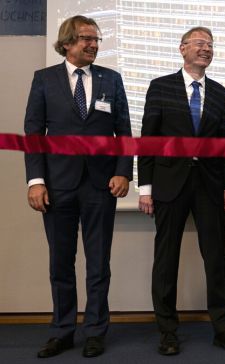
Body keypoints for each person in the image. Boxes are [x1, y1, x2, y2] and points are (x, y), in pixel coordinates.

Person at [23, 15, 133, 358]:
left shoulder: (110, 80)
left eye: (97, 39)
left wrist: (123, 173)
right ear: (67, 42)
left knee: (99, 263)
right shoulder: (44, 80)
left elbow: (124, 133)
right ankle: (62, 330)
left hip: (101, 185)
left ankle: (96, 331)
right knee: (61, 262)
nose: (94, 45)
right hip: (57, 187)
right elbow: (32, 134)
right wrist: (36, 181)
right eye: (87, 38)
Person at [138, 26, 225, 355]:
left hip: (210, 186)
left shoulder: (220, 93)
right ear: (182, 49)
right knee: (166, 260)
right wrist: (145, 188)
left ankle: (223, 329)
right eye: (200, 43)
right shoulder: (160, 88)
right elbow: (147, 141)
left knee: (215, 259)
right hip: (169, 184)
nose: (207, 49)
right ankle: (168, 332)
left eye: (211, 45)